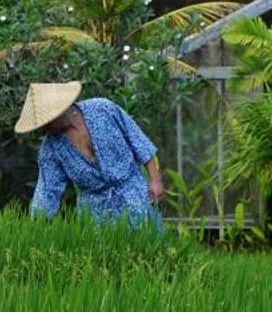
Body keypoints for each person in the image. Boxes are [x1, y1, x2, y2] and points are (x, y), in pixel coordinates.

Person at [16, 80, 165, 228]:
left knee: (150, 247)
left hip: (135, 196)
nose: (44, 129)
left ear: (59, 109)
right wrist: (33, 228)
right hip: (97, 217)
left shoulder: (103, 109)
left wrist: (155, 180)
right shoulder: (51, 149)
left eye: (46, 122)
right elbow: (46, 191)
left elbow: (138, 140)